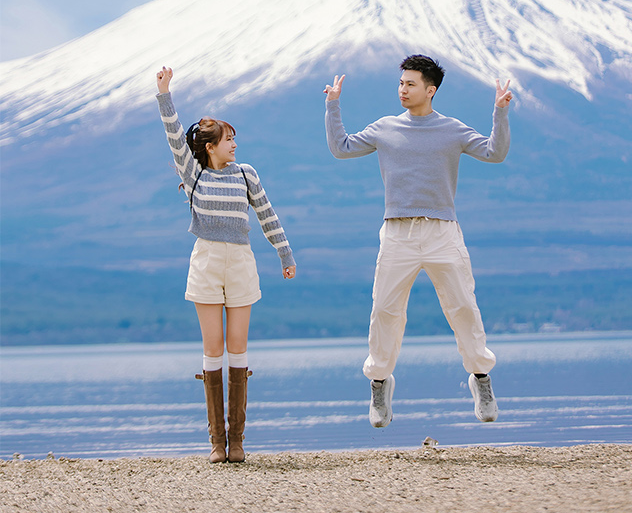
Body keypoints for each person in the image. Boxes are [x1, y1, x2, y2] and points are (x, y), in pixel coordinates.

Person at [326, 54, 512, 428]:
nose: (403, 90)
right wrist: (333, 105)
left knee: (463, 307)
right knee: (385, 310)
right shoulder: (385, 127)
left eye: (410, 84)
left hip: (442, 231)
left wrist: (500, 112)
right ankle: (379, 383)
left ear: (431, 90)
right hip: (397, 233)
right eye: (401, 83)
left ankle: (481, 378)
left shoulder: (452, 129)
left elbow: (495, 152)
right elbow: (341, 147)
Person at [154, 67, 295, 463]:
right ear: (211, 147)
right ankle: (217, 441)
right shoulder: (194, 174)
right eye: (228, 139)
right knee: (213, 347)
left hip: (241, 263)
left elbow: (267, 215)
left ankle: (238, 442)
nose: (235, 144)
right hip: (206, 262)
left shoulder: (247, 174)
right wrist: (164, 94)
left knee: (238, 347)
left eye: (234, 139)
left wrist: (284, 253)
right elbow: (173, 136)